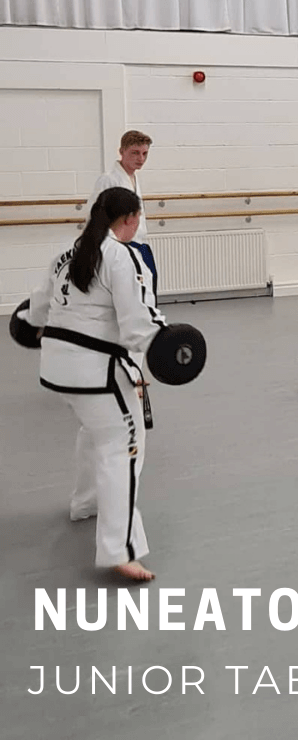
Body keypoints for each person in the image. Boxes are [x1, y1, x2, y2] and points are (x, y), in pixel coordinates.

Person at [26, 187, 166, 583]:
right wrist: (170, 342)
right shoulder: (123, 256)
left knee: (96, 430)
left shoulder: (64, 254)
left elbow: (36, 310)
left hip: (57, 370)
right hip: (96, 372)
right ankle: (119, 550)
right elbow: (138, 323)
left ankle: (86, 503)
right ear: (130, 218)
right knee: (124, 446)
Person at [87, 130, 156, 293]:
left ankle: (149, 318)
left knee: (148, 291)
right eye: (135, 153)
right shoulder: (108, 179)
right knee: (129, 295)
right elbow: (94, 216)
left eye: (144, 154)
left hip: (139, 244)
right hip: (118, 247)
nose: (141, 159)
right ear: (121, 151)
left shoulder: (134, 177)